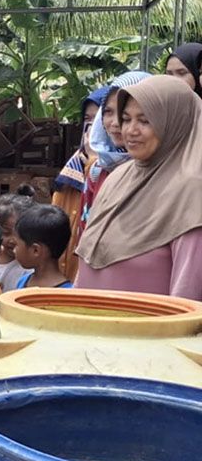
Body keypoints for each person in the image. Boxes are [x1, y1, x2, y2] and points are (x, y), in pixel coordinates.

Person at [75, 75, 202, 299]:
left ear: (175, 123)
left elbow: (187, 296)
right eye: (127, 119)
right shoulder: (117, 178)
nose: (130, 131)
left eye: (145, 121)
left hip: (147, 331)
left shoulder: (191, 191)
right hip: (88, 326)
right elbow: (87, 260)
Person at [80, 71, 153, 233]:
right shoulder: (98, 169)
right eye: (108, 112)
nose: (115, 123)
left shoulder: (159, 171)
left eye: (123, 114)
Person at [52, 84, 109, 281]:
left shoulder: (120, 172)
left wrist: (95, 163)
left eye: (99, 119)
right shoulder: (70, 171)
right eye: (87, 119)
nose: (92, 128)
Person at [14, 205, 73, 289]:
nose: (14, 250)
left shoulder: (67, 296)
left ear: (35, 250)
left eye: (16, 245)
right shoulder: (23, 281)